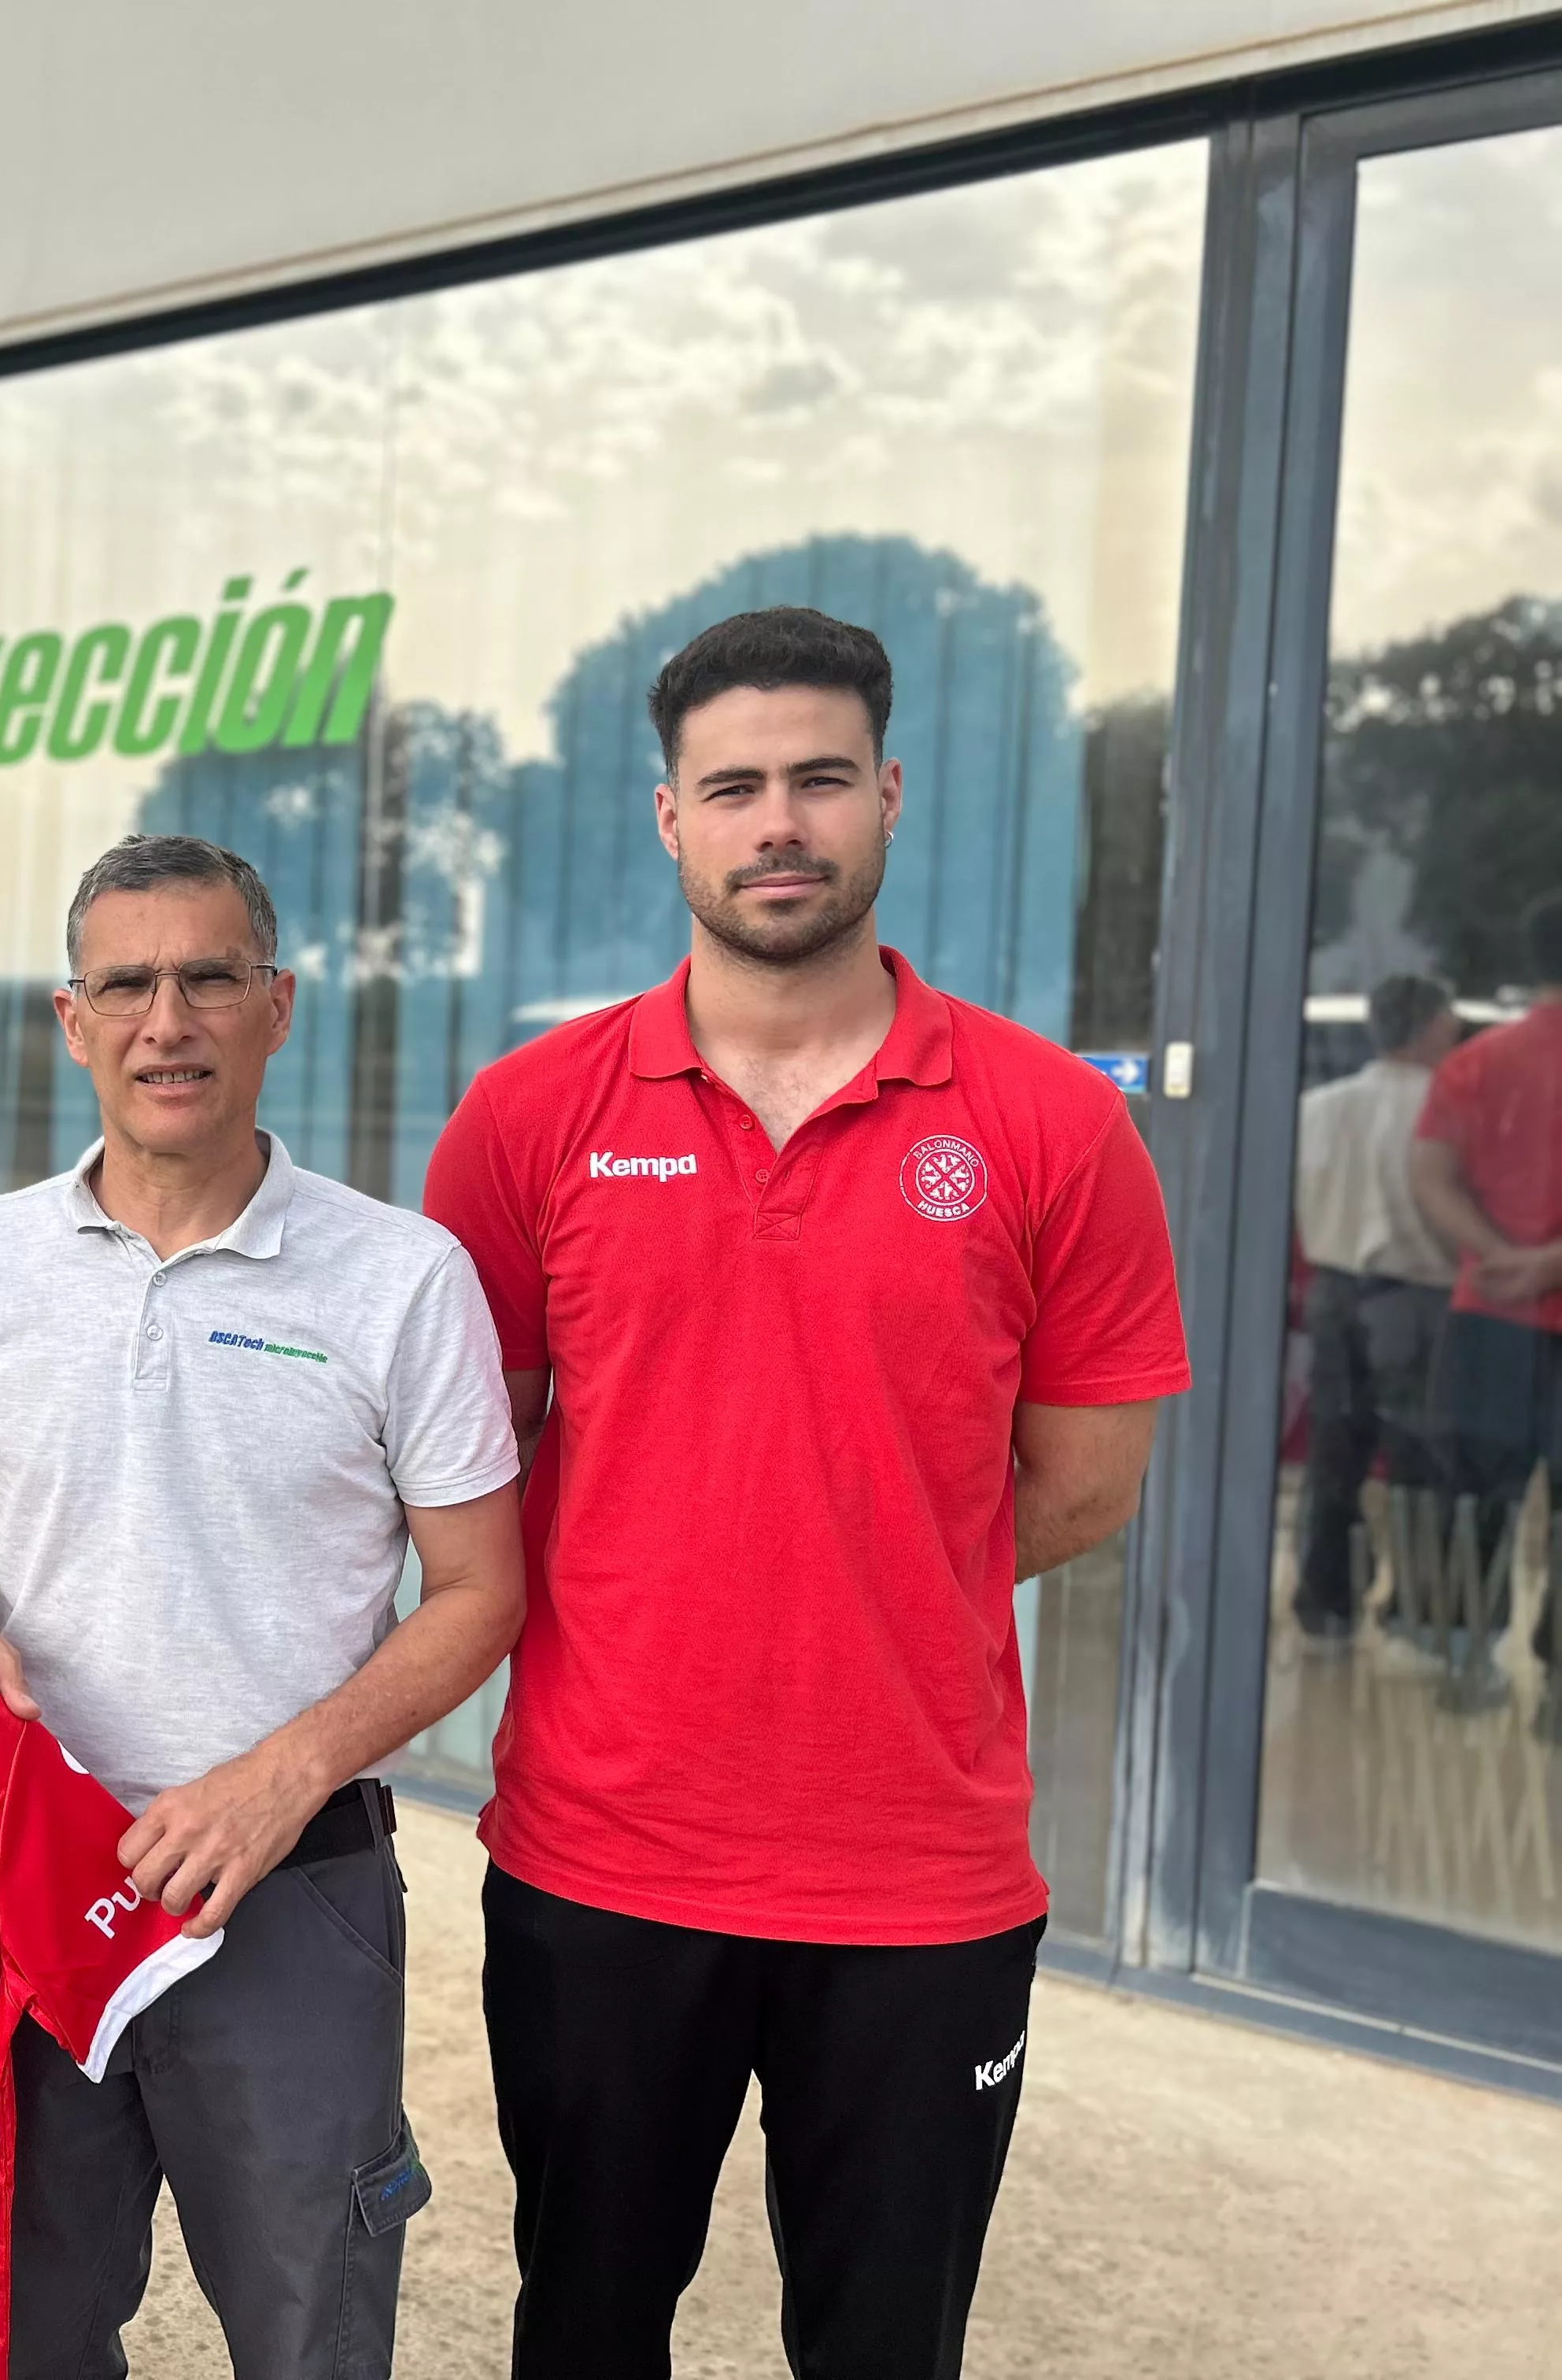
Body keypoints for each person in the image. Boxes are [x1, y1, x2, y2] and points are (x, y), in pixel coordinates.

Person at [423, 608, 1188, 2379]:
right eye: (738, 785)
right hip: (604, 1862)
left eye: (821, 779)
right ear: (671, 818)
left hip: (920, 1881)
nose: (783, 821)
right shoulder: (530, 1118)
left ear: (890, 799)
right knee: (587, 2327)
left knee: (882, 2347)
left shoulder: (1053, 1123)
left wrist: (852, 1553)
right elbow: (471, 1467)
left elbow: (1078, 1488)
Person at [0, 833, 526, 2380]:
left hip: (294, 1897)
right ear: (71, 1018)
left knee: (312, 2337)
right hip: (26, 1885)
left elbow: (482, 1590)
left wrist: (280, 1775)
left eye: (207, 978)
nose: (166, 1020)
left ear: (278, 1006)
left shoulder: (401, 1276)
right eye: (128, 983)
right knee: (18, 2334)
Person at [1408, 890, 1562, 1716]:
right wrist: (1549, 1263)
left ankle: (1468, 1663)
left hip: (1489, 1313)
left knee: (1479, 1498)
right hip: (1533, 1298)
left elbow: (1430, 1175)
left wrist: (1502, 1256)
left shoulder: (1476, 1062)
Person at [1290, 973, 1460, 1641]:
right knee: (1420, 1461)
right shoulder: (1445, 1108)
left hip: (1333, 1294)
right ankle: (1414, 1611)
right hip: (1419, 1299)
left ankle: (1325, 1602)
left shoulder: (1317, 1108)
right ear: (1432, 1027)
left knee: (1335, 1455)